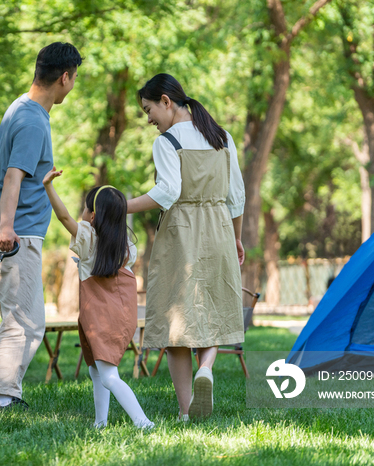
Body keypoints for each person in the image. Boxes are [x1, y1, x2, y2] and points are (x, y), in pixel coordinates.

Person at [0, 42, 82, 409]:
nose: (73, 84)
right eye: (75, 77)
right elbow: (13, 176)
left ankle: (3, 396)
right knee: (25, 322)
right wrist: (3, 226)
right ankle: (1, 400)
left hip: (5, 228)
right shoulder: (33, 119)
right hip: (15, 236)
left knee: (19, 319)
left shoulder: (18, 108)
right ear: (64, 77)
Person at [128, 73, 246, 421]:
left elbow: (167, 193)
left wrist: (122, 205)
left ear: (166, 101)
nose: (148, 118)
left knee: (175, 319)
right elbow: (236, 197)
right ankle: (206, 366)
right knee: (213, 307)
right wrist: (236, 237)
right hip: (220, 228)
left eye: (148, 109)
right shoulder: (222, 136)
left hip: (181, 231)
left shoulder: (167, 142)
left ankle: (184, 411)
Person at [43, 169, 154, 429]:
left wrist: (48, 186)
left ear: (92, 216)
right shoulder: (127, 247)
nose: (81, 213)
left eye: (85, 209)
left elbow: (62, 216)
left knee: (108, 376)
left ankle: (143, 423)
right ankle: (100, 422)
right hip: (120, 316)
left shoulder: (88, 238)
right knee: (96, 372)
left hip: (100, 318)